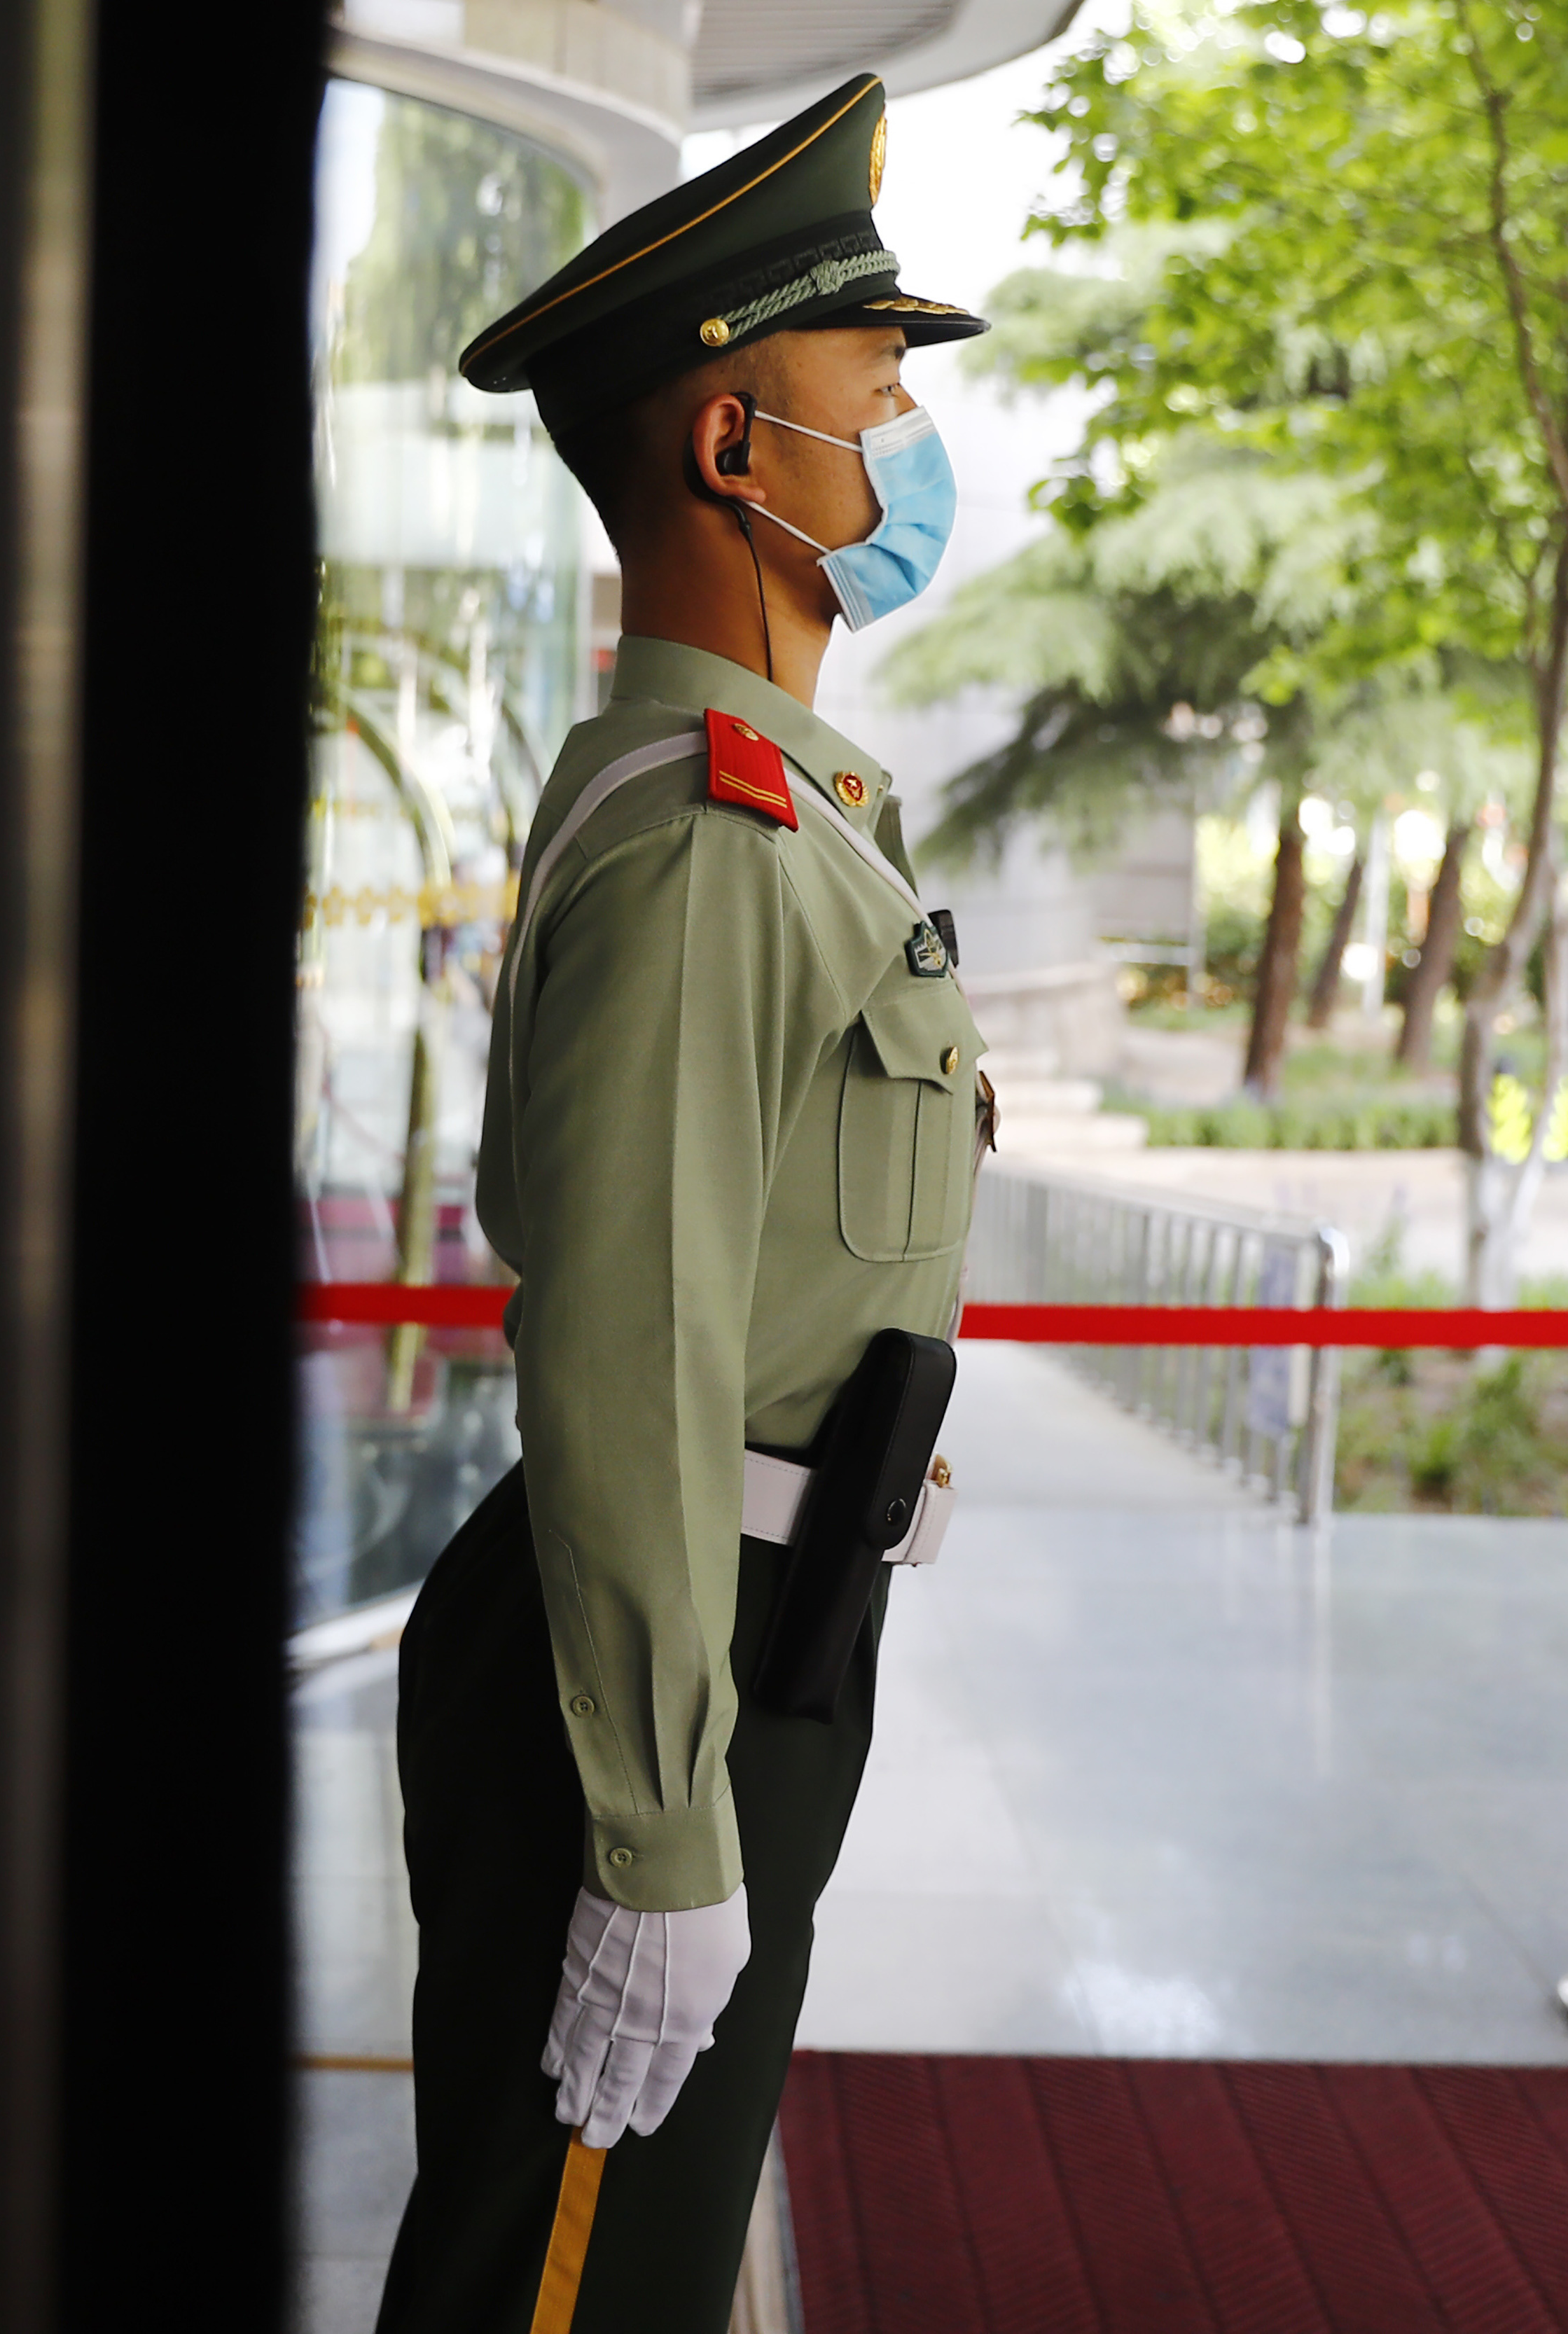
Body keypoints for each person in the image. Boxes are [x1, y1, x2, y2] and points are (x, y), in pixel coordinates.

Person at [376, 74, 992, 2334]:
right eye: (879, 391)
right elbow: (626, 1348)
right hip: (662, 1667)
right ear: (737, 451)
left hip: (742, 1638)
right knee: (559, 2294)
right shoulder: (711, 840)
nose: (915, 436)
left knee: (618, 2273)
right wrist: (655, 1829)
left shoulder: (773, 809)